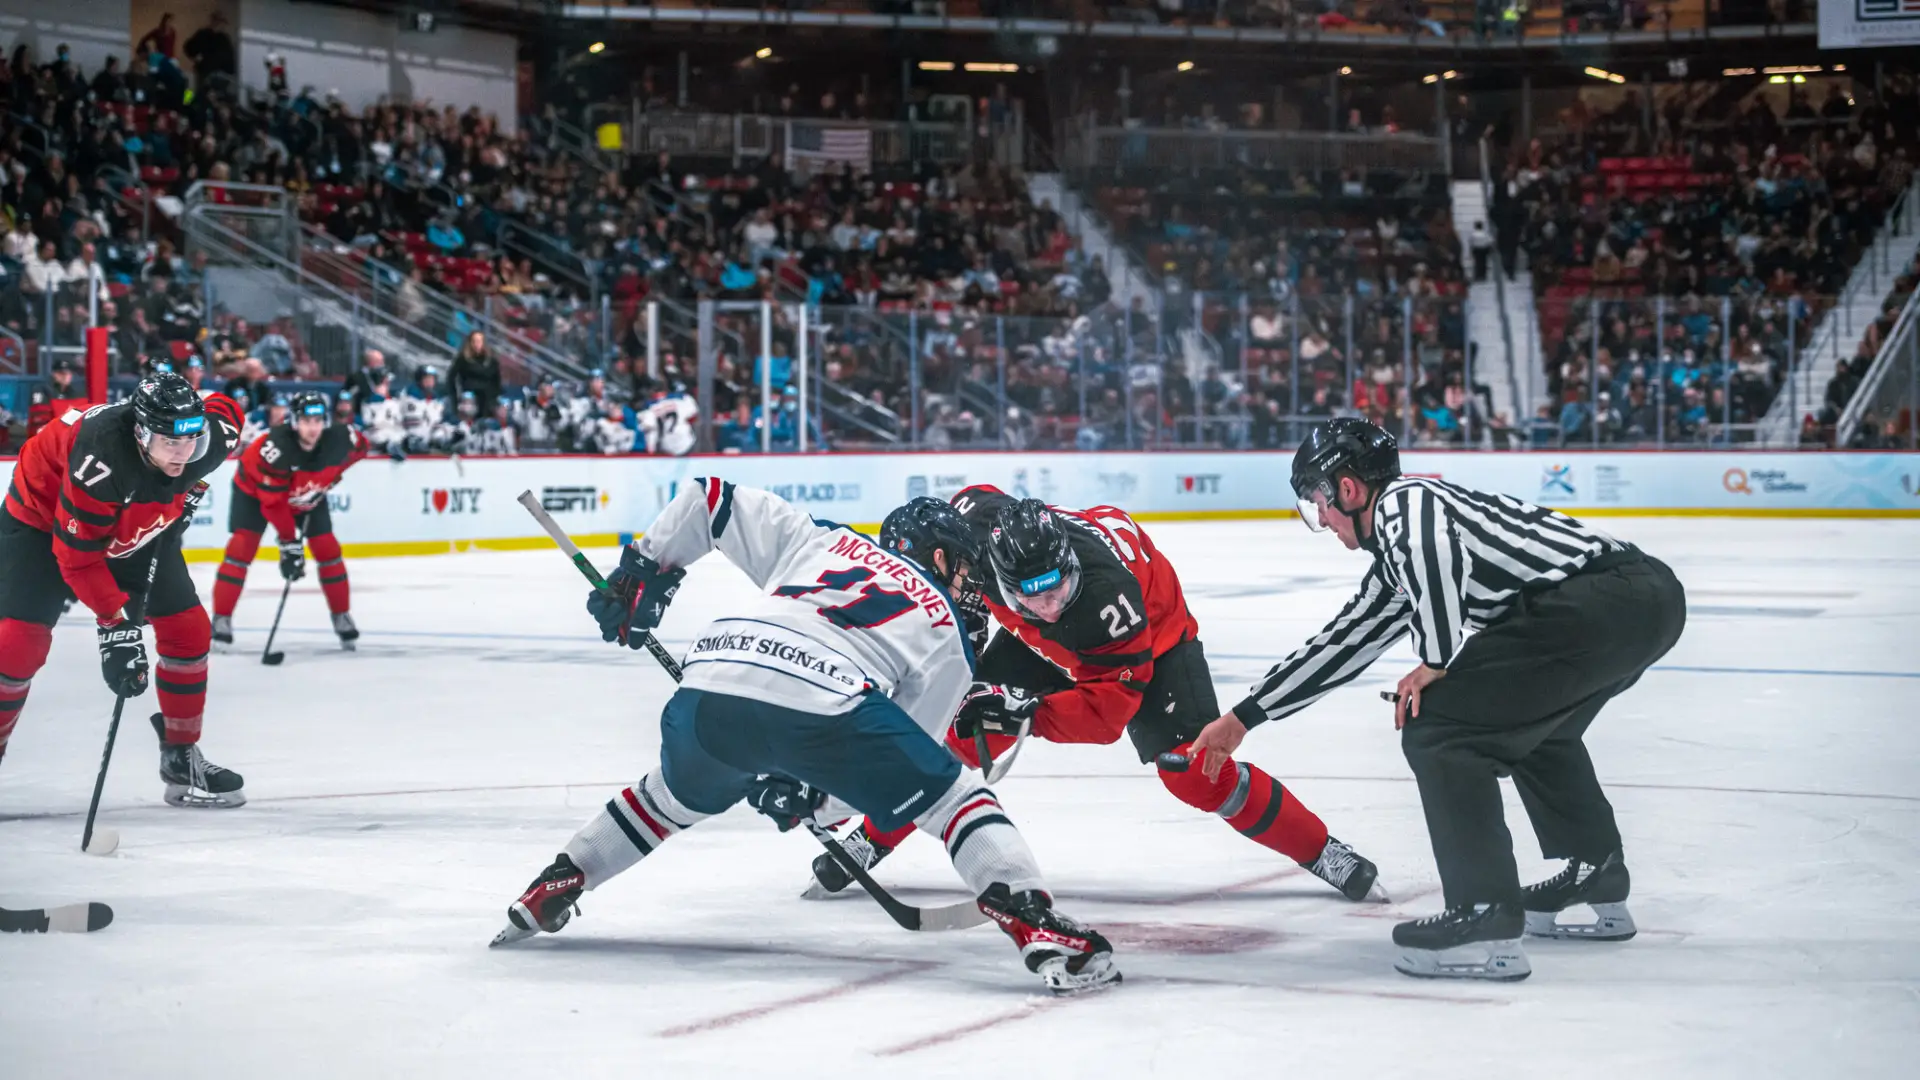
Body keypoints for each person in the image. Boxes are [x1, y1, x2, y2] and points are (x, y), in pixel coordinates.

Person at [496, 487, 1121, 996]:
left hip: (708, 680)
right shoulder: (947, 631)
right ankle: (1034, 920)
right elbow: (890, 777)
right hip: (822, 699)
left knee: (670, 796)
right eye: (963, 567)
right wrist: (811, 799)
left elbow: (709, 499)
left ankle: (562, 876)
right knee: (955, 798)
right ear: (935, 558)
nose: (970, 585)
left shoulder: (825, 540)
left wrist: (643, 572)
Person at [1188, 418, 1688, 981]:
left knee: (1440, 729)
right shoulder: (1397, 563)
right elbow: (1343, 642)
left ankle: (1483, 913)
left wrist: (1434, 659)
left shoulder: (1408, 503)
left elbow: (1433, 557)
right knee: (1541, 727)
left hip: (1605, 600)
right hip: (1640, 604)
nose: (1323, 520)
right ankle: (1595, 870)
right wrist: (1245, 717)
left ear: (1347, 489)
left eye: (1318, 503)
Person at [801, 488, 1381, 905]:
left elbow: (1107, 717)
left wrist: (1026, 709)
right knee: (970, 727)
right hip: (1046, 621)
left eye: (1057, 590)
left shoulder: (1110, 605)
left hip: (1152, 634)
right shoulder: (973, 534)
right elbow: (976, 507)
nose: (1049, 605)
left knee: (1193, 770)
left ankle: (1322, 849)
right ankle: (872, 839)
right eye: (1032, 598)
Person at [0, 373, 247, 806]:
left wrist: (186, 487)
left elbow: (229, 407)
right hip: (41, 521)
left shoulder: (204, 440)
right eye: (171, 444)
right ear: (141, 432)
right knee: (17, 645)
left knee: (189, 630)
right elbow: (77, 558)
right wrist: (115, 627)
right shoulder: (100, 460)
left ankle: (180, 755)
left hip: (135, 520)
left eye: (190, 442)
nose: (183, 454)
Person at [212, 391, 371, 652]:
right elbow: (273, 504)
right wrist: (289, 544)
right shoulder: (275, 447)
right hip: (254, 494)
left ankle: (341, 615)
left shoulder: (342, 438)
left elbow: (361, 449)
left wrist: (330, 476)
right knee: (240, 549)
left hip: (305, 492)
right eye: (307, 421)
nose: (313, 428)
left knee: (329, 550)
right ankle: (222, 619)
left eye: (319, 420)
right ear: (295, 421)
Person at [26, 357, 85, 437]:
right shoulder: (42, 389)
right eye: (61, 373)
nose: (65, 376)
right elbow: (39, 422)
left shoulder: (76, 392)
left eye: (69, 373)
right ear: (54, 374)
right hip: (49, 438)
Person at [638, 382, 700, 456]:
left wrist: (651, 450)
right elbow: (694, 414)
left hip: (666, 446)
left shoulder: (649, 407)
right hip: (684, 441)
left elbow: (647, 427)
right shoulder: (681, 398)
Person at [450, 331, 501, 419]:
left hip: (486, 399)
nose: (477, 344)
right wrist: (456, 397)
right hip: (468, 397)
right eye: (474, 341)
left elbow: (496, 380)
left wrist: (494, 398)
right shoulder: (462, 359)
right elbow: (452, 378)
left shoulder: (491, 361)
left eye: (479, 341)